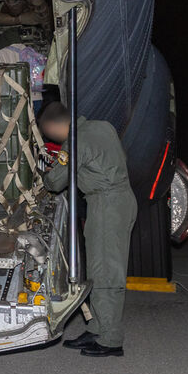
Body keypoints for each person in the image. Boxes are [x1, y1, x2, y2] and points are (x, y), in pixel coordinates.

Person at [39, 102, 137, 357]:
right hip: (121, 198)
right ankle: (97, 327)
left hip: (106, 204)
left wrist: (46, 173)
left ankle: (110, 339)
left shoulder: (74, 141)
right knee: (99, 268)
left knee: (105, 273)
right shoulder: (103, 127)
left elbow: (55, 182)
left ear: (54, 127)